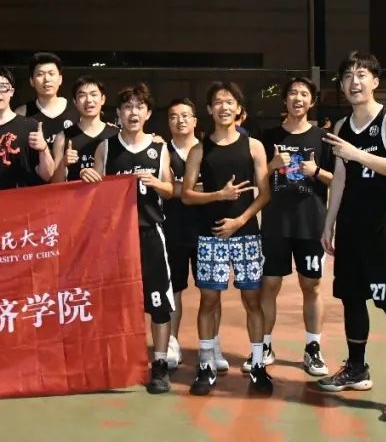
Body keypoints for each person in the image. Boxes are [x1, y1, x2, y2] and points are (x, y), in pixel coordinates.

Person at [312, 51, 386, 422]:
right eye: (347, 76)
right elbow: (341, 178)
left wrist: (357, 154)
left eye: (361, 74)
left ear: (375, 81)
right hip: (351, 230)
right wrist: (329, 223)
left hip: (384, 232)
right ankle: (357, 369)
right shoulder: (342, 126)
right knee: (352, 299)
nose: (354, 82)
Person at [182, 82, 272, 396]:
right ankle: (206, 365)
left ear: (238, 108)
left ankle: (258, 365)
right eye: (218, 102)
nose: (224, 107)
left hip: (246, 235)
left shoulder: (254, 147)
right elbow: (187, 195)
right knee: (208, 300)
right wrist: (218, 195)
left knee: (252, 300)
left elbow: (264, 194)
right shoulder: (199, 150)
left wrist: (240, 221)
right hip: (210, 237)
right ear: (209, 109)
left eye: (229, 101)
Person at [84, 83, 175, 394]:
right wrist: (86, 178)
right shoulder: (106, 148)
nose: (133, 113)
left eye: (139, 107)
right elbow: (94, 191)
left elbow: (170, 190)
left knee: (159, 302)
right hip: (116, 238)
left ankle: (159, 363)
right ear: (119, 114)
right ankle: (117, 362)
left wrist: (156, 184)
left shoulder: (159, 149)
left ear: (148, 114)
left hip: (150, 233)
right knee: (115, 302)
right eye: (127, 107)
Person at [257, 76, 333, 378]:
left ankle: (313, 348)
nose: (298, 98)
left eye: (304, 94)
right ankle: (264, 346)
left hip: (310, 224)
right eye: (292, 93)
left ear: (311, 102)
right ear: (284, 100)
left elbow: (338, 179)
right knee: (269, 285)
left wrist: (317, 171)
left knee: (311, 286)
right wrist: (272, 166)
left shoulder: (323, 138)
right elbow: (256, 179)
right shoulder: (268, 137)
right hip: (275, 224)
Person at [162, 99, 229, 373]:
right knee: (173, 290)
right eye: (174, 116)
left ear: (195, 120)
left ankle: (213, 344)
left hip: (208, 230)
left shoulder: (208, 150)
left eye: (185, 115)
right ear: (168, 121)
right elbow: (166, 189)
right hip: (173, 230)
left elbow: (217, 188)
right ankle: (172, 344)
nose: (180, 121)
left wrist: (180, 189)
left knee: (212, 292)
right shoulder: (162, 152)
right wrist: (194, 189)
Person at [51, 76, 117, 182]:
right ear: (75, 102)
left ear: (103, 99)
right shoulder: (62, 137)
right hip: (75, 193)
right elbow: (55, 183)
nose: (89, 100)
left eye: (93, 94)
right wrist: (63, 163)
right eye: (82, 95)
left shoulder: (116, 134)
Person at [16, 52, 80, 146]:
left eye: (51, 73)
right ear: (32, 81)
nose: (47, 79)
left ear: (60, 79)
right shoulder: (22, 114)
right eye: (40, 74)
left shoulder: (77, 109)